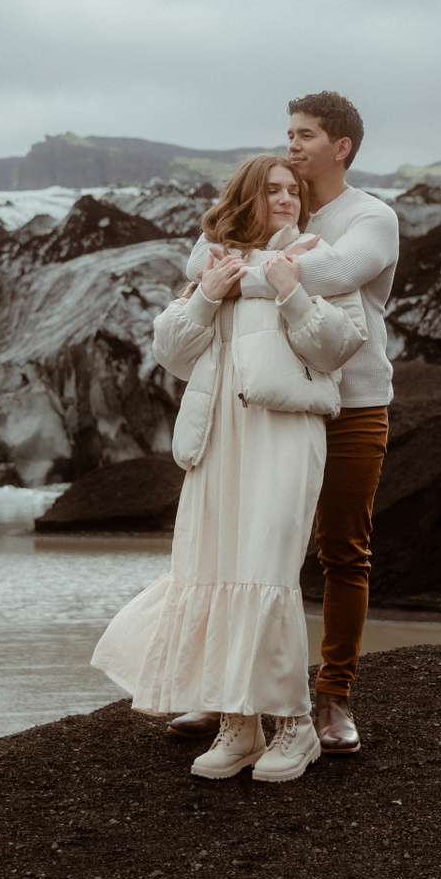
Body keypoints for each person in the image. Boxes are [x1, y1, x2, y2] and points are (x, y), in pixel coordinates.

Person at [92, 154, 367, 783]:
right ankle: (239, 726)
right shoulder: (217, 263)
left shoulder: (317, 259)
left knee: (267, 572)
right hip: (217, 435)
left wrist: (293, 291)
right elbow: (171, 353)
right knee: (214, 567)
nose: (286, 199)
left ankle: (294, 726)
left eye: (293, 190)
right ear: (246, 198)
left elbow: (339, 348)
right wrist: (206, 298)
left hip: (283, 433)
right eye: (271, 190)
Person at [168, 91, 399, 756]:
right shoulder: (269, 199)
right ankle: (230, 693)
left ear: (341, 147)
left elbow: (332, 271)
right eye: (289, 133)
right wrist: (255, 269)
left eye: (305, 135)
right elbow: (196, 264)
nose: (292, 145)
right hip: (276, 405)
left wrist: (239, 272)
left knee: (342, 550)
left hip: (353, 403)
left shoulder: (371, 217)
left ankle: (333, 696)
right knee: (250, 548)